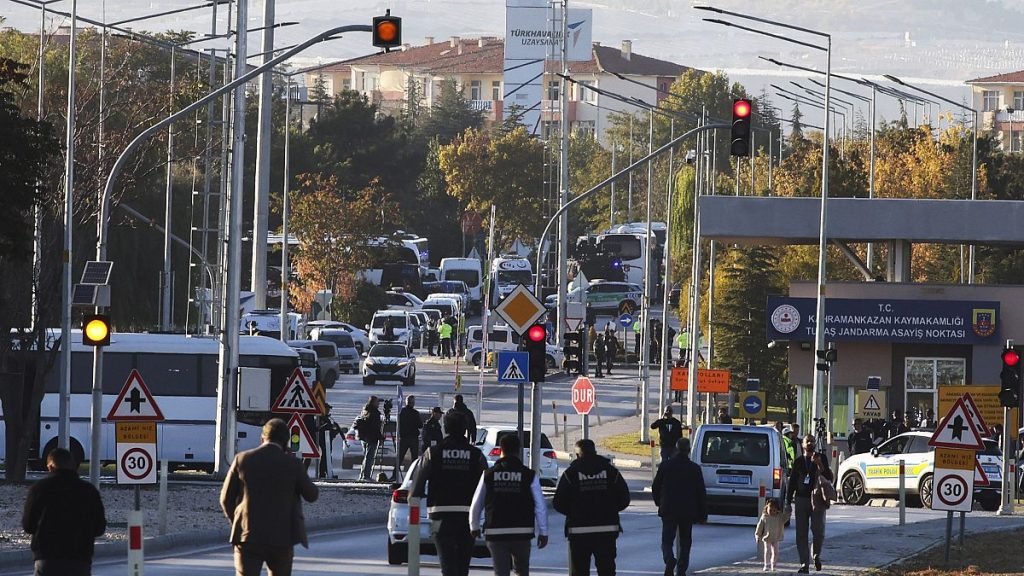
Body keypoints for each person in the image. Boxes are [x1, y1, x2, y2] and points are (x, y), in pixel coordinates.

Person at [220, 418, 319, 576]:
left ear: (262, 438)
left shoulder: (242, 459)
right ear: (286, 442)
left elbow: (225, 499)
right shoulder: (292, 464)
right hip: (282, 538)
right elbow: (312, 495)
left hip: (249, 536)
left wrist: (238, 522)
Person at [413, 411, 489, 576]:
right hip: (468, 516)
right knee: (462, 566)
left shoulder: (432, 453)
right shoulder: (476, 455)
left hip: (440, 514)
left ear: (445, 428)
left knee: (447, 564)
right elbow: (487, 486)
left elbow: (417, 486)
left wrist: (416, 497)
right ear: (465, 429)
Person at [469, 434, 549, 576]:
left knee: (501, 571)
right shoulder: (529, 475)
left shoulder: (488, 474)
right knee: (522, 571)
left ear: (501, 450)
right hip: (522, 532)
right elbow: (540, 505)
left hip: (495, 531)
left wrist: (474, 525)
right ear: (518, 451)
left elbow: (477, 501)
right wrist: (543, 532)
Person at [22, 447, 106, 576]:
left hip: (47, 558)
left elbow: (28, 525)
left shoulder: (38, 489)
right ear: (73, 466)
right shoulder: (89, 491)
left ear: (50, 467)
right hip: (79, 560)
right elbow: (99, 528)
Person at [553, 439, 631, 576]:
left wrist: (574, 513)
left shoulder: (571, 473)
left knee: (579, 571)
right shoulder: (610, 471)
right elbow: (624, 498)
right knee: (607, 570)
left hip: (578, 531)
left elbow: (558, 502)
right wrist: (610, 510)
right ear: (595, 452)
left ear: (577, 455)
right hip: (607, 529)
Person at [652, 437, 706, 576]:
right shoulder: (694, 468)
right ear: (689, 450)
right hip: (687, 510)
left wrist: (659, 502)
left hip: (669, 508)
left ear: (676, 449)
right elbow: (701, 492)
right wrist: (702, 514)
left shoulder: (666, 466)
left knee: (667, 540)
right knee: (685, 541)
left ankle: (669, 558)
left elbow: (656, 486)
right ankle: (681, 569)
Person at [786, 434, 833, 573]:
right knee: (801, 533)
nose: (810, 443)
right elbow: (792, 482)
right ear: (803, 444)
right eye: (807, 441)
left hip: (817, 500)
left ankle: (816, 555)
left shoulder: (821, 458)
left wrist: (819, 464)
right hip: (801, 499)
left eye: (812, 441)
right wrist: (788, 501)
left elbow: (829, 477)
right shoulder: (799, 461)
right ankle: (804, 564)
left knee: (818, 531)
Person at [353, 396, 383, 481]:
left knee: (366, 457)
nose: (379, 404)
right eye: (377, 402)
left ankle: (363, 475)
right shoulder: (375, 413)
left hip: (364, 437)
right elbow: (375, 427)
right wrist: (380, 437)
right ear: (373, 402)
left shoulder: (365, 410)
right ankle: (366, 476)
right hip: (371, 437)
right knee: (369, 458)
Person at [755, 498, 786, 572]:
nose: (772, 512)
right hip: (767, 537)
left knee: (776, 552)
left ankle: (773, 564)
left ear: (777, 510)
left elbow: (786, 518)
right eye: (770, 510)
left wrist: (788, 511)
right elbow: (759, 527)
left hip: (776, 537)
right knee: (767, 550)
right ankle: (766, 565)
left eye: (774, 510)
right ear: (766, 508)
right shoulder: (765, 517)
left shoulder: (779, 517)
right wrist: (757, 535)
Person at [398, 395, 423, 471]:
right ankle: (414, 473)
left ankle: (395, 474)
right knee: (414, 459)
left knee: (400, 457)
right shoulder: (415, 413)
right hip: (413, 438)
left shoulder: (401, 412)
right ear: (413, 403)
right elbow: (420, 425)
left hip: (404, 437)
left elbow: (399, 424)